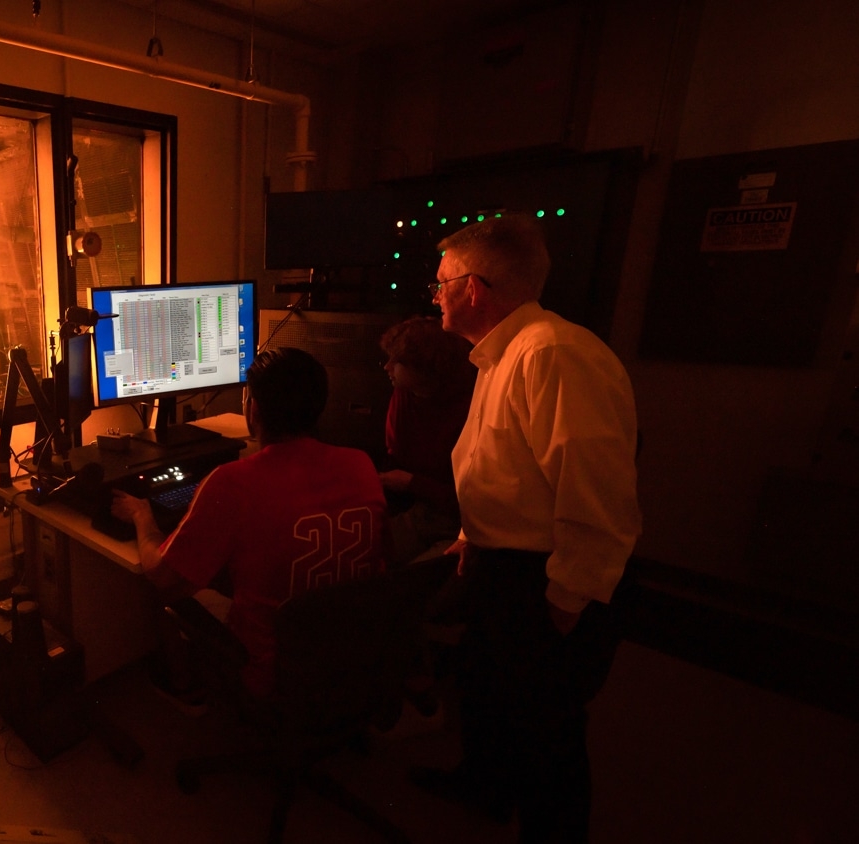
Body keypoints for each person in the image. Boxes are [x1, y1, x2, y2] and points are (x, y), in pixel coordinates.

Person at [413, 215, 640, 843]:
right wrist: (472, 535)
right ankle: (483, 786)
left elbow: (596, 496)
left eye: (441, 284)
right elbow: (509, 469)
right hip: (503, 559)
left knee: (549, 732)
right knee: (486, 690)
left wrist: (565, 604)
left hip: (547, 575)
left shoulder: (553, 354)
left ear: (475, 289)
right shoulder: (503, 351)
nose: (435, 296)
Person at [110, 347, 389, 701]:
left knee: (169, 589)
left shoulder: (233, 482)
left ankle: (183, 687)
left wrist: (142, 516)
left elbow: (163, 573)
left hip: (272, 673)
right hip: (349, 654)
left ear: (252, 407)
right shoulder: (360, 464)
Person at [378, 316, 475, 563]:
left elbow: (472, 499)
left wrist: (413, 483)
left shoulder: (469, 408)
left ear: (426, 366)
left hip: (461, 523)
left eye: (397, 361)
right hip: (420, 510)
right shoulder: (404, 395)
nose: (387, 367)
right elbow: (395, 456)